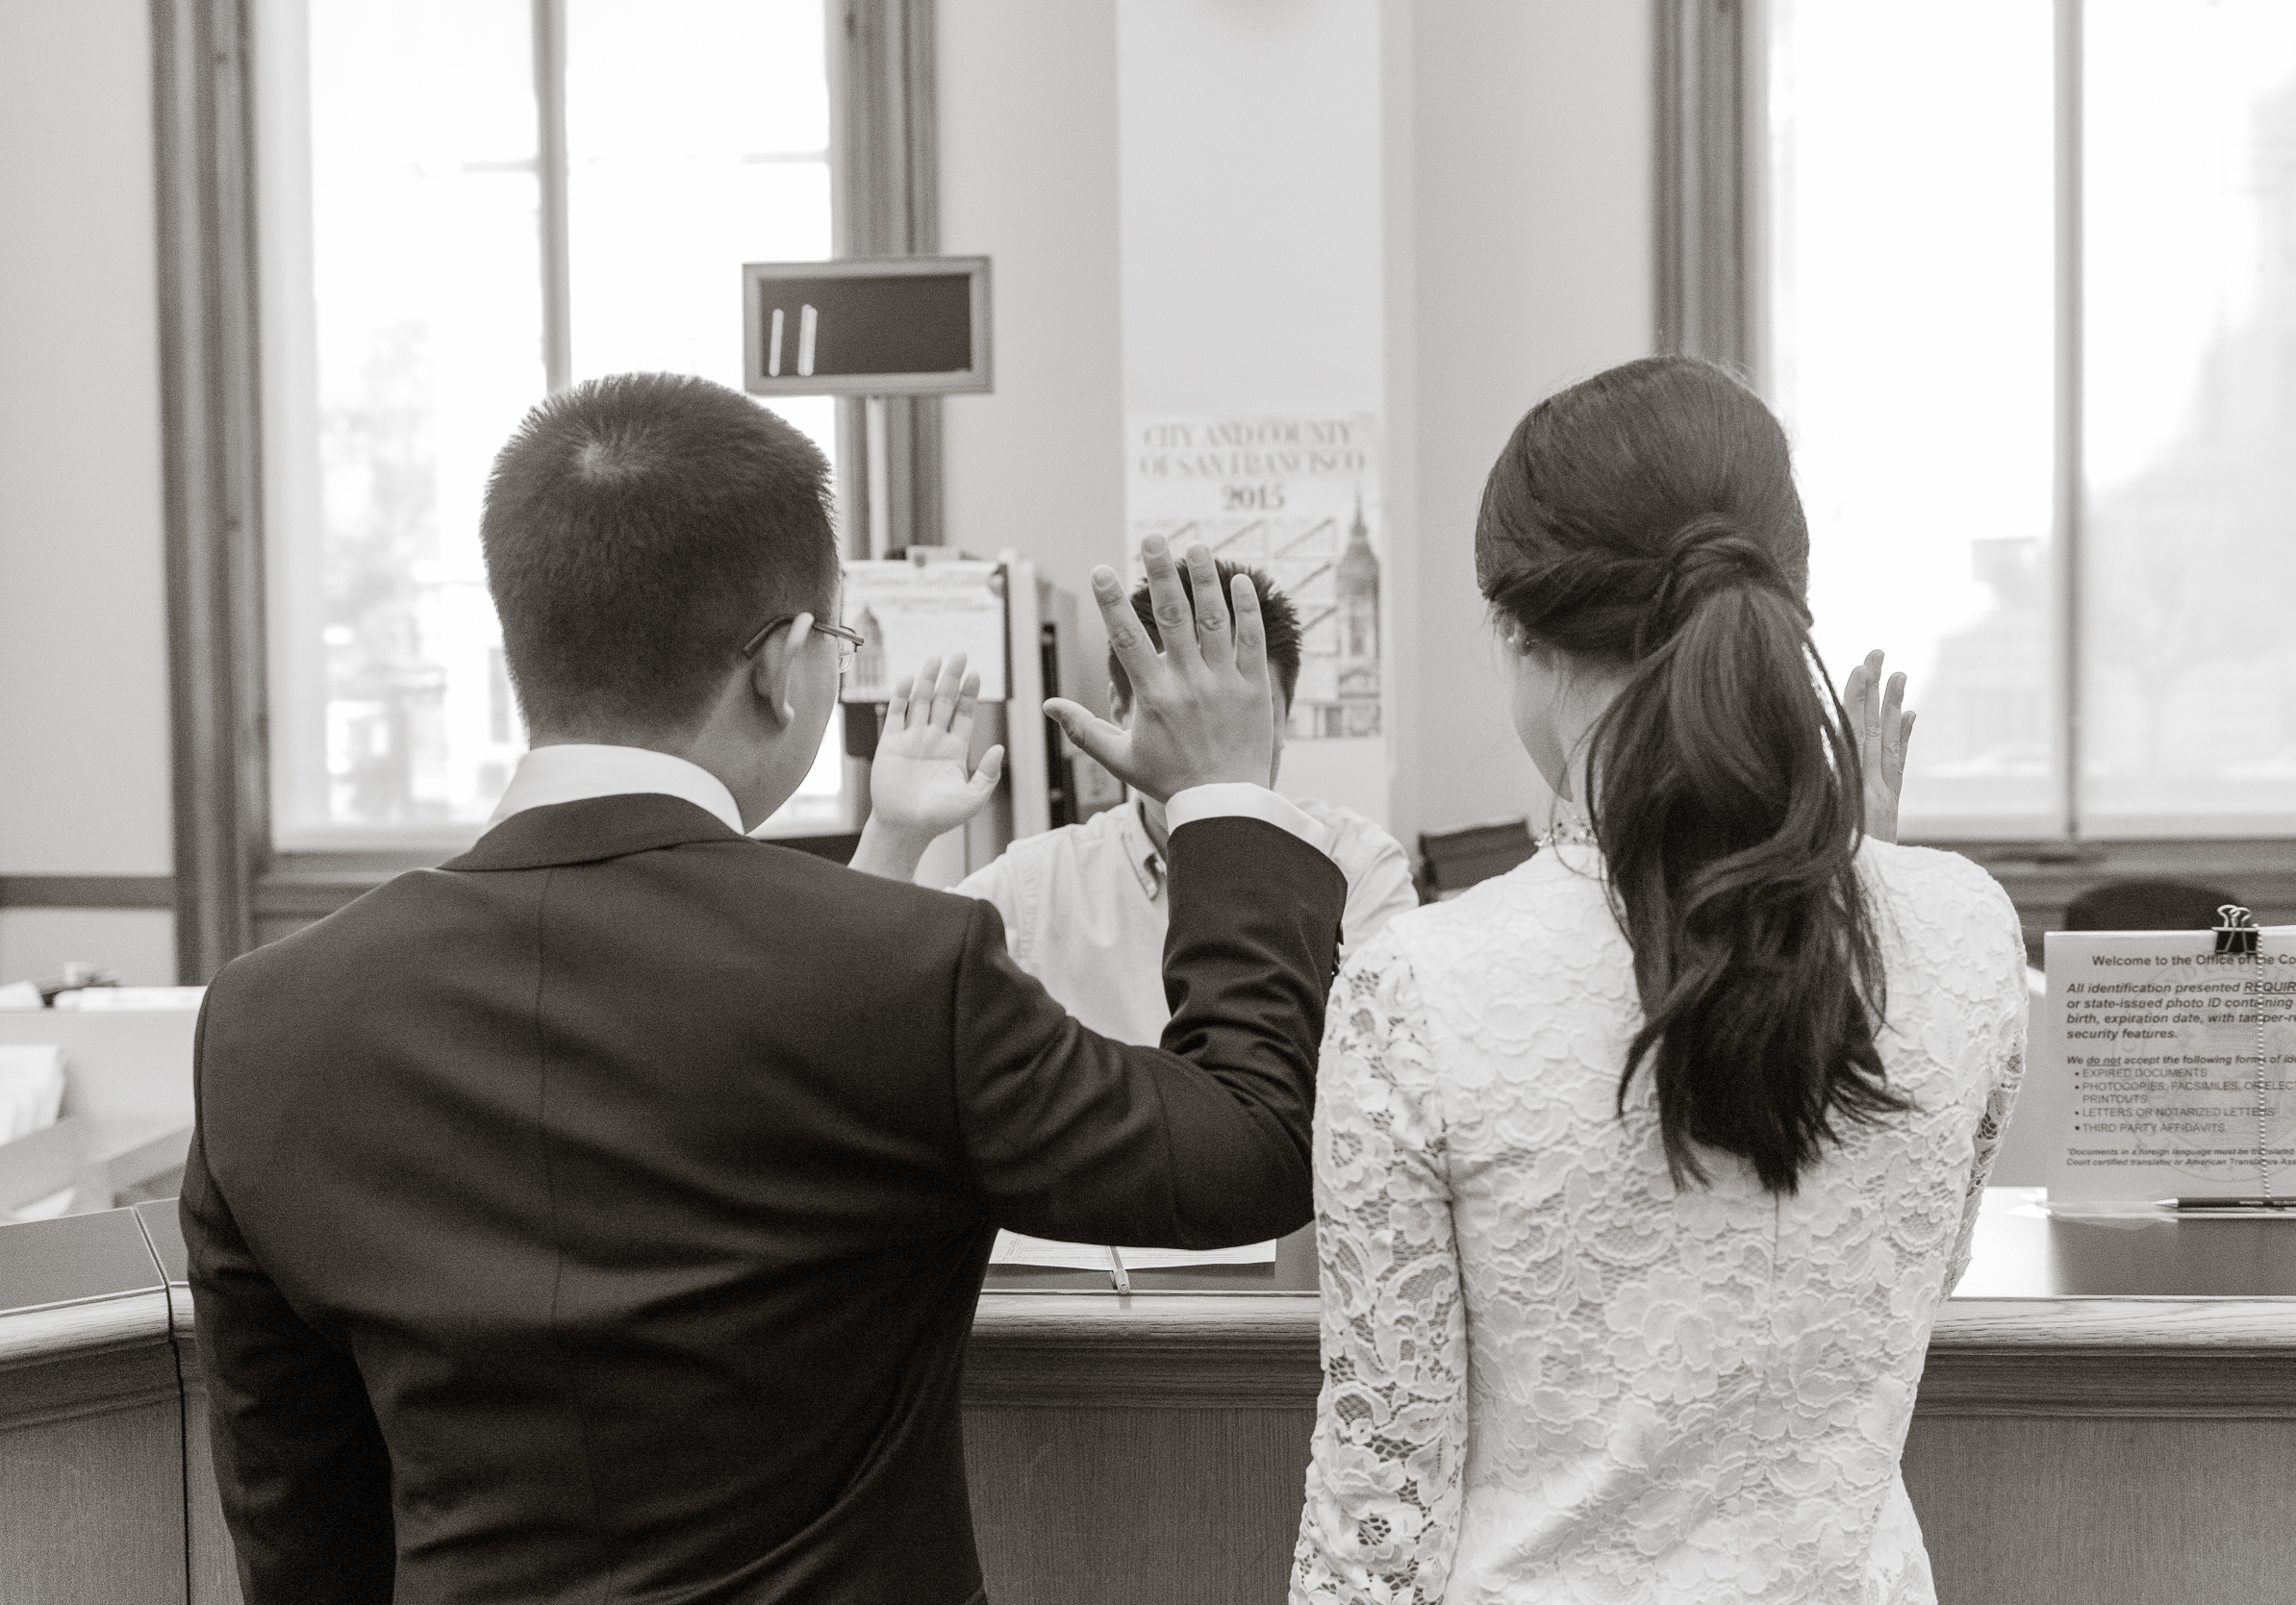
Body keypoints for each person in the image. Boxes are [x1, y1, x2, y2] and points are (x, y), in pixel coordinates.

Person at [180, 372, 1349, 1605]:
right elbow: (1249, 1146)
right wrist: (1225, 795)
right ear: (785, 666)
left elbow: (301, 1528)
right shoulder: (901, 970)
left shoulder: (267, 1022)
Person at [1289, 357, 2026, 1603]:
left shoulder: (1417, 987)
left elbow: (1381, 1512)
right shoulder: (1968, 930)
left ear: (1518, 631)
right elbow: (1913, 1276)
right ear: (1786, 592)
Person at [852, 562, 1418, 1046]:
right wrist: (895, 835)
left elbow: (1377, 1076)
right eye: (1174, 714)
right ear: (1118, 714)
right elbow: (872, 1002)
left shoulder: (1356, 866)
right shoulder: (1039, 888)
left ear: (1285, 721)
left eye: (1241, 718)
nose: (1207, 744)